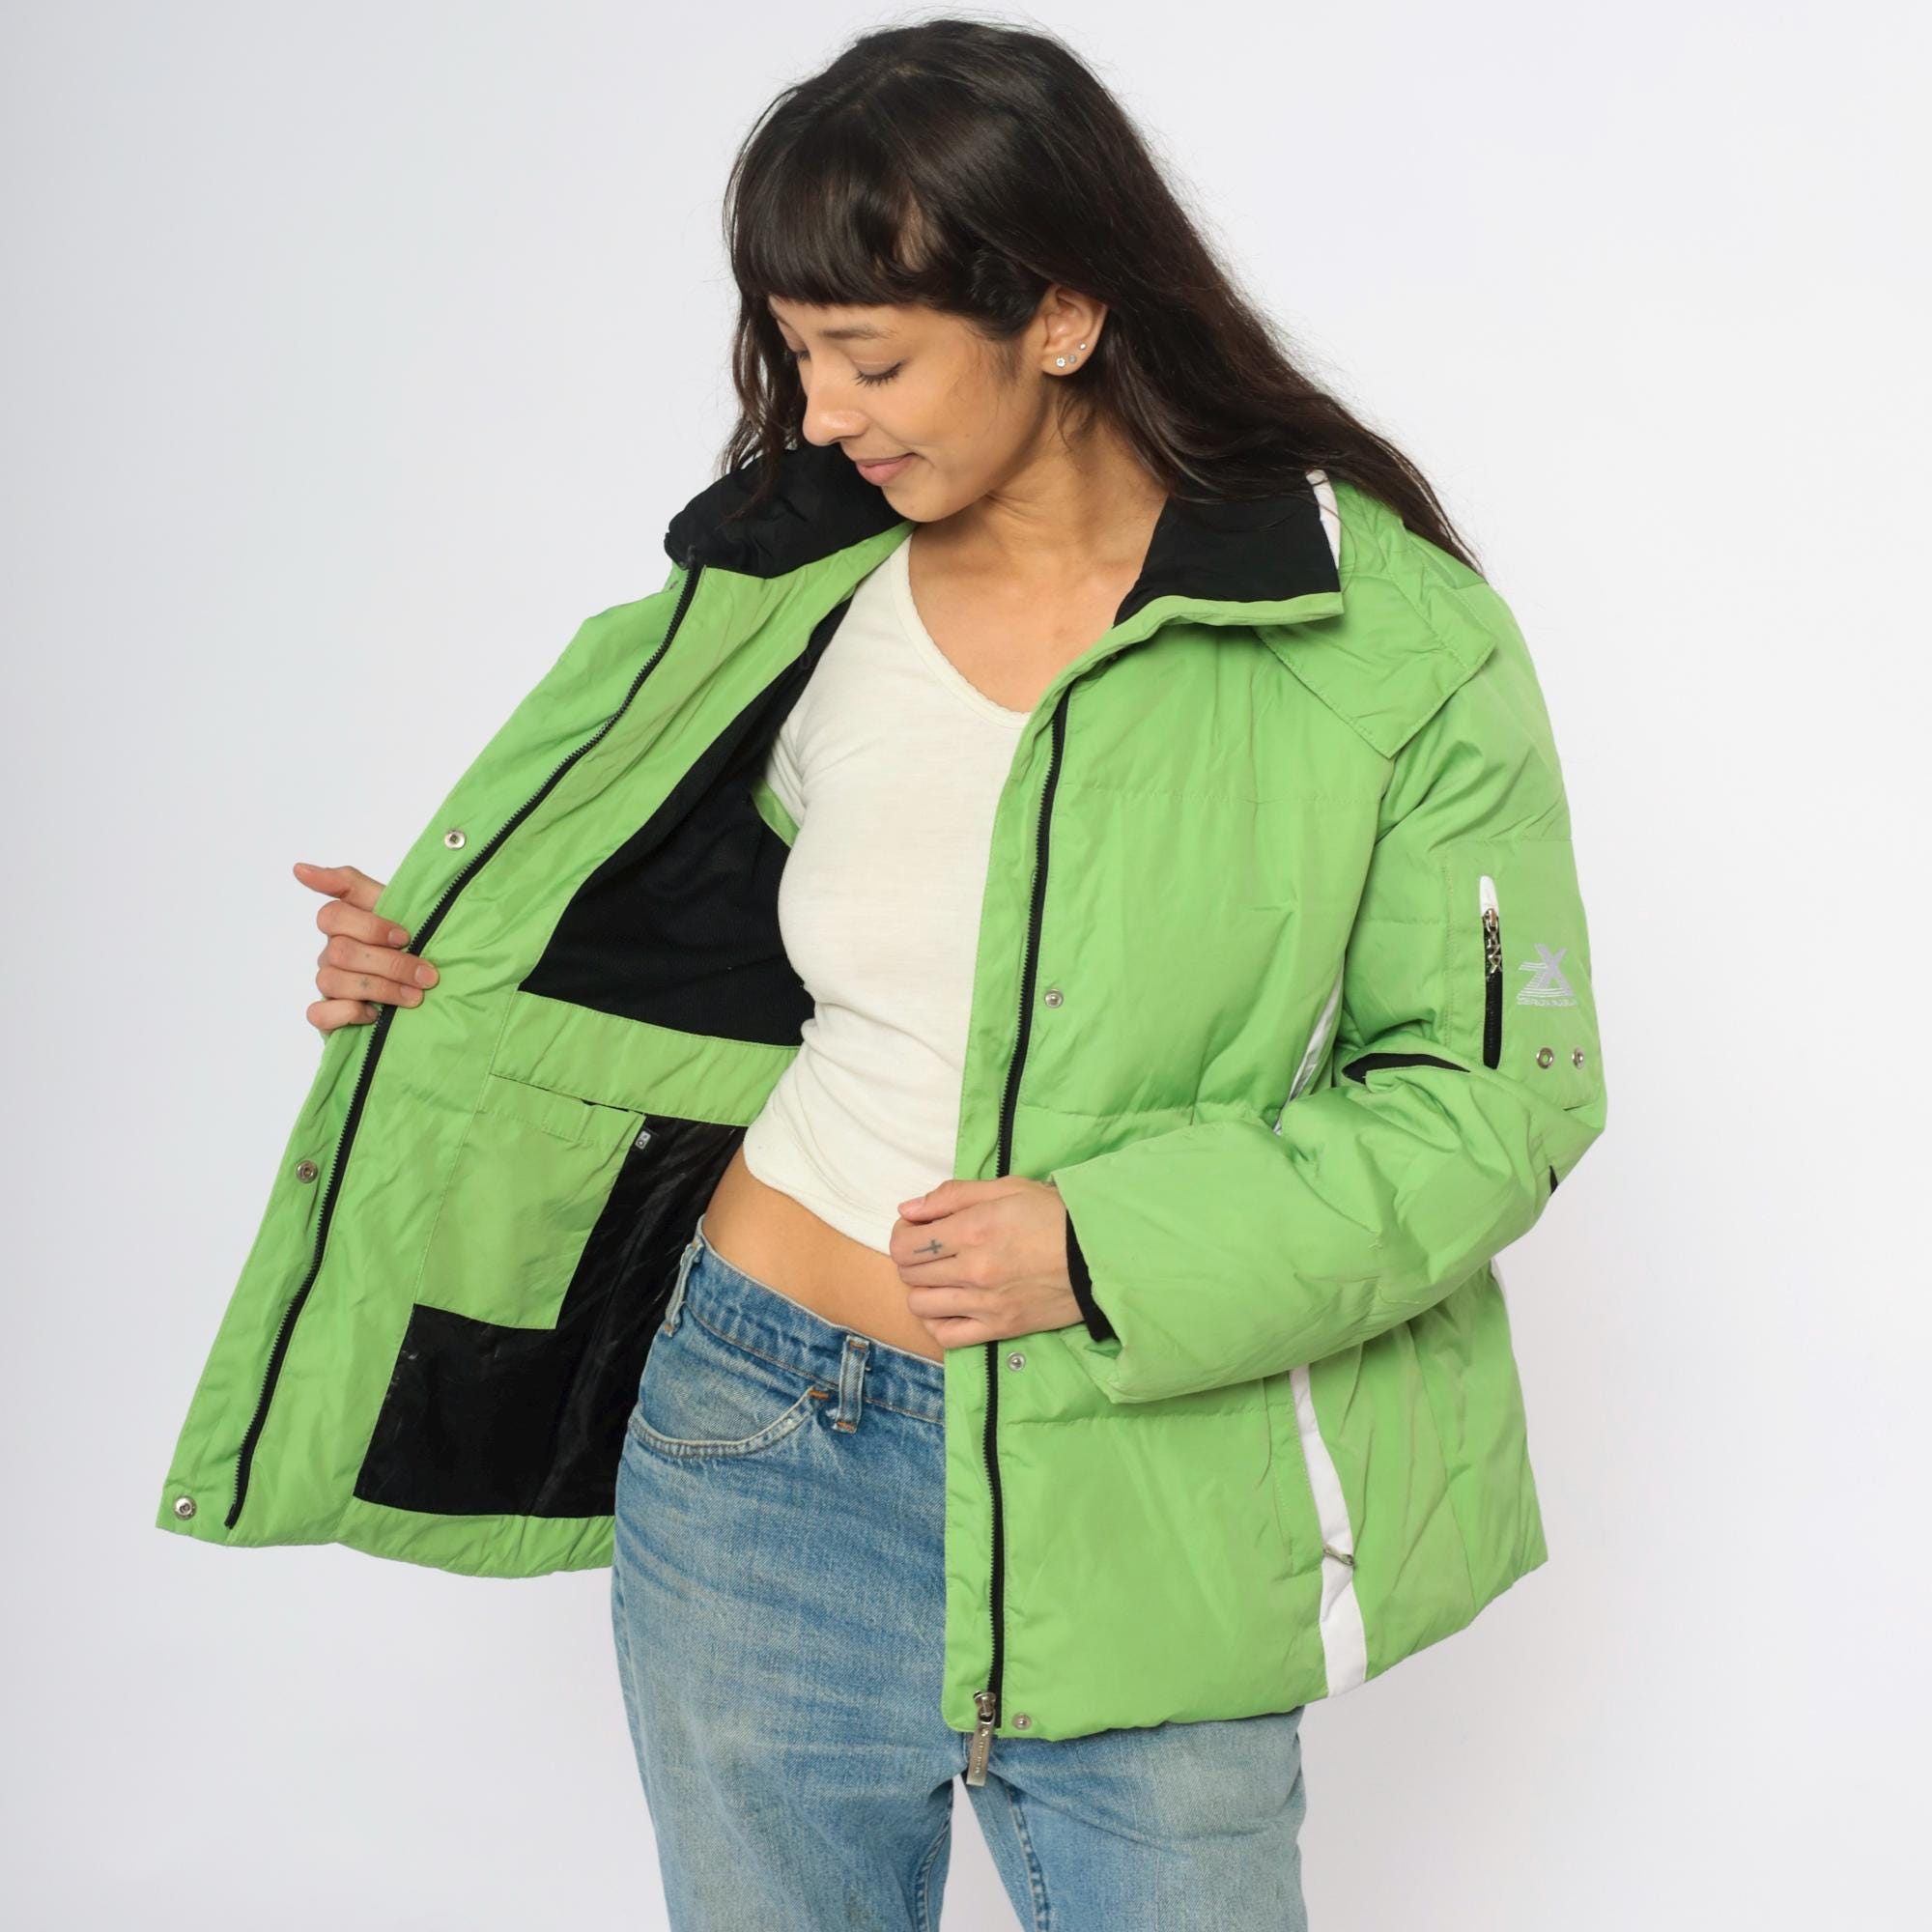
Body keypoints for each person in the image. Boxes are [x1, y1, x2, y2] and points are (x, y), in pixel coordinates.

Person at [158, 18, 1607, 1930]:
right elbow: (669, 937)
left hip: (1155, 1486)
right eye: (794, 352)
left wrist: (1102, 1245)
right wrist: (437, 974)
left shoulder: (1380, 638)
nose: (824, 411)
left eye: (874, 355)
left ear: (1061, 314)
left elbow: (1495, 1096)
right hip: (751, 1438)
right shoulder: (788, 591)